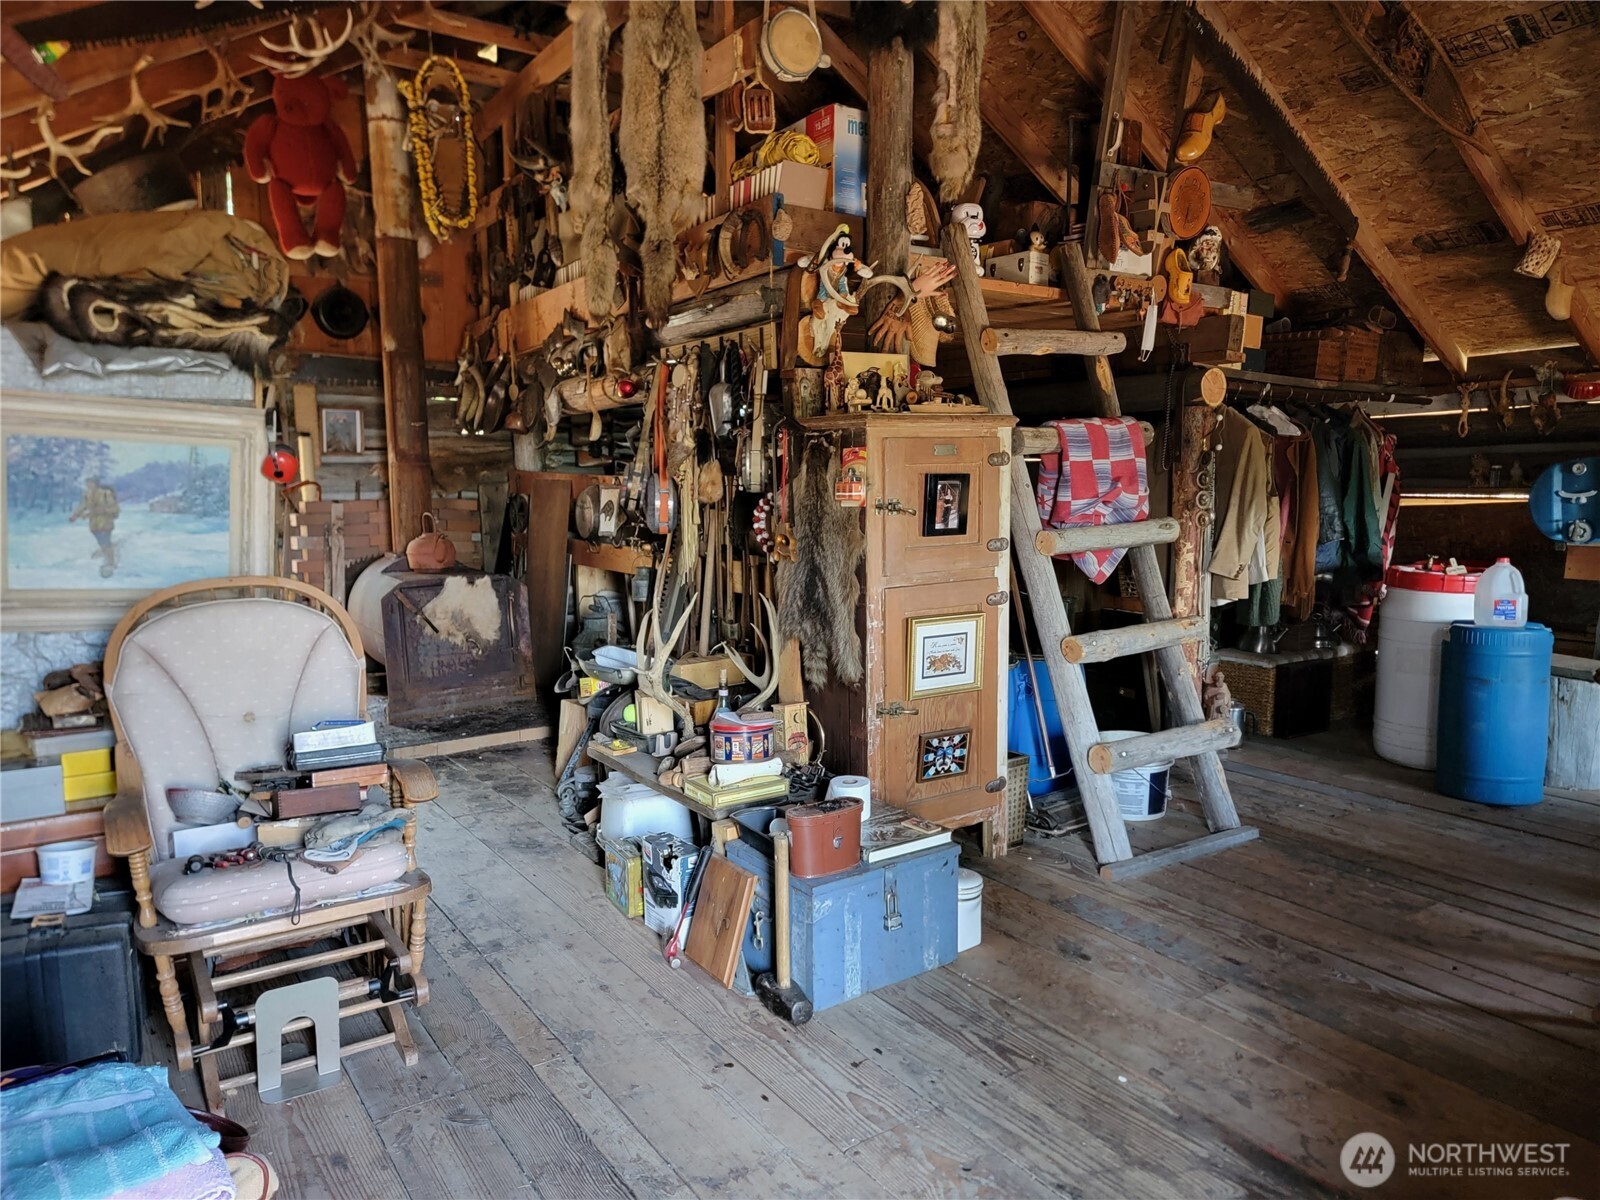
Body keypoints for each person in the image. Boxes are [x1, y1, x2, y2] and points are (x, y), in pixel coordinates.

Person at [69, 476, 120, 575]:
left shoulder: (106, 494)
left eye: (90, 483)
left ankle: (111, 563)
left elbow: (115, 508)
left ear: (95, 483)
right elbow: (82, 506)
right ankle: (108, 555)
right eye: (87, 483)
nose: (88, 485)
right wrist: (75, 515)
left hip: (105, 522)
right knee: (102, 543)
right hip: (94, 525)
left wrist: (102, 510)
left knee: (105, 542)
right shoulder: (87, 495)